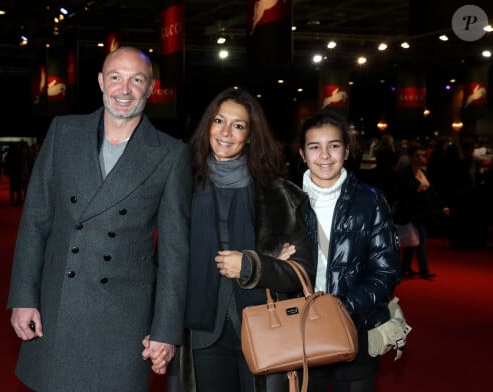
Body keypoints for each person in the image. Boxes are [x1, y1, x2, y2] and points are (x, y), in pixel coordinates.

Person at [6, 46, 192, 392]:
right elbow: (35, 221)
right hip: (58, 303)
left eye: (136, 80)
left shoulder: (171, 153)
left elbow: (174, 252)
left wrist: (166, 330)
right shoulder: (64, 133)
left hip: (123, 317)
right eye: (116, 78)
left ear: (150, 88)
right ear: (101, 82)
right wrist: (23, 296)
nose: (124, 89)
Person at [171, 87, 314, 392]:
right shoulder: (182, 187)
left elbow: (302, 269)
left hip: (264, 328)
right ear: (207, 125)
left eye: (238, 126)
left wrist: (254, 266)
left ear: (250, 136)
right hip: (201, 329)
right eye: (219, 121)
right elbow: (165, 263)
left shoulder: (278, 195)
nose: (226, 132)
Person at [297, 110, 400, 392]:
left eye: (334, 145)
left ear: (347, 151)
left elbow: (385, 272)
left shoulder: (371, 201)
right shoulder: (286, 200)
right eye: (314, 147)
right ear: (303, 154)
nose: (325, 155)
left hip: (357, 326)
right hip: (302, 331)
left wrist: (343, 309)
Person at [393, 143, 449, 278]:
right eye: (417, 155)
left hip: (421, 212)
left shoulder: (423, 172)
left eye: (422, 155)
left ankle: (405, 268)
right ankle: (423, 270)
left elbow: (432, 192)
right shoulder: (405, 174)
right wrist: (418, 188)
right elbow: (402, 193)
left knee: (414, 242)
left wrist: (442, 206)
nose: (420, 158)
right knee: (418, 240)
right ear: (411, 157)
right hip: (409, 213)